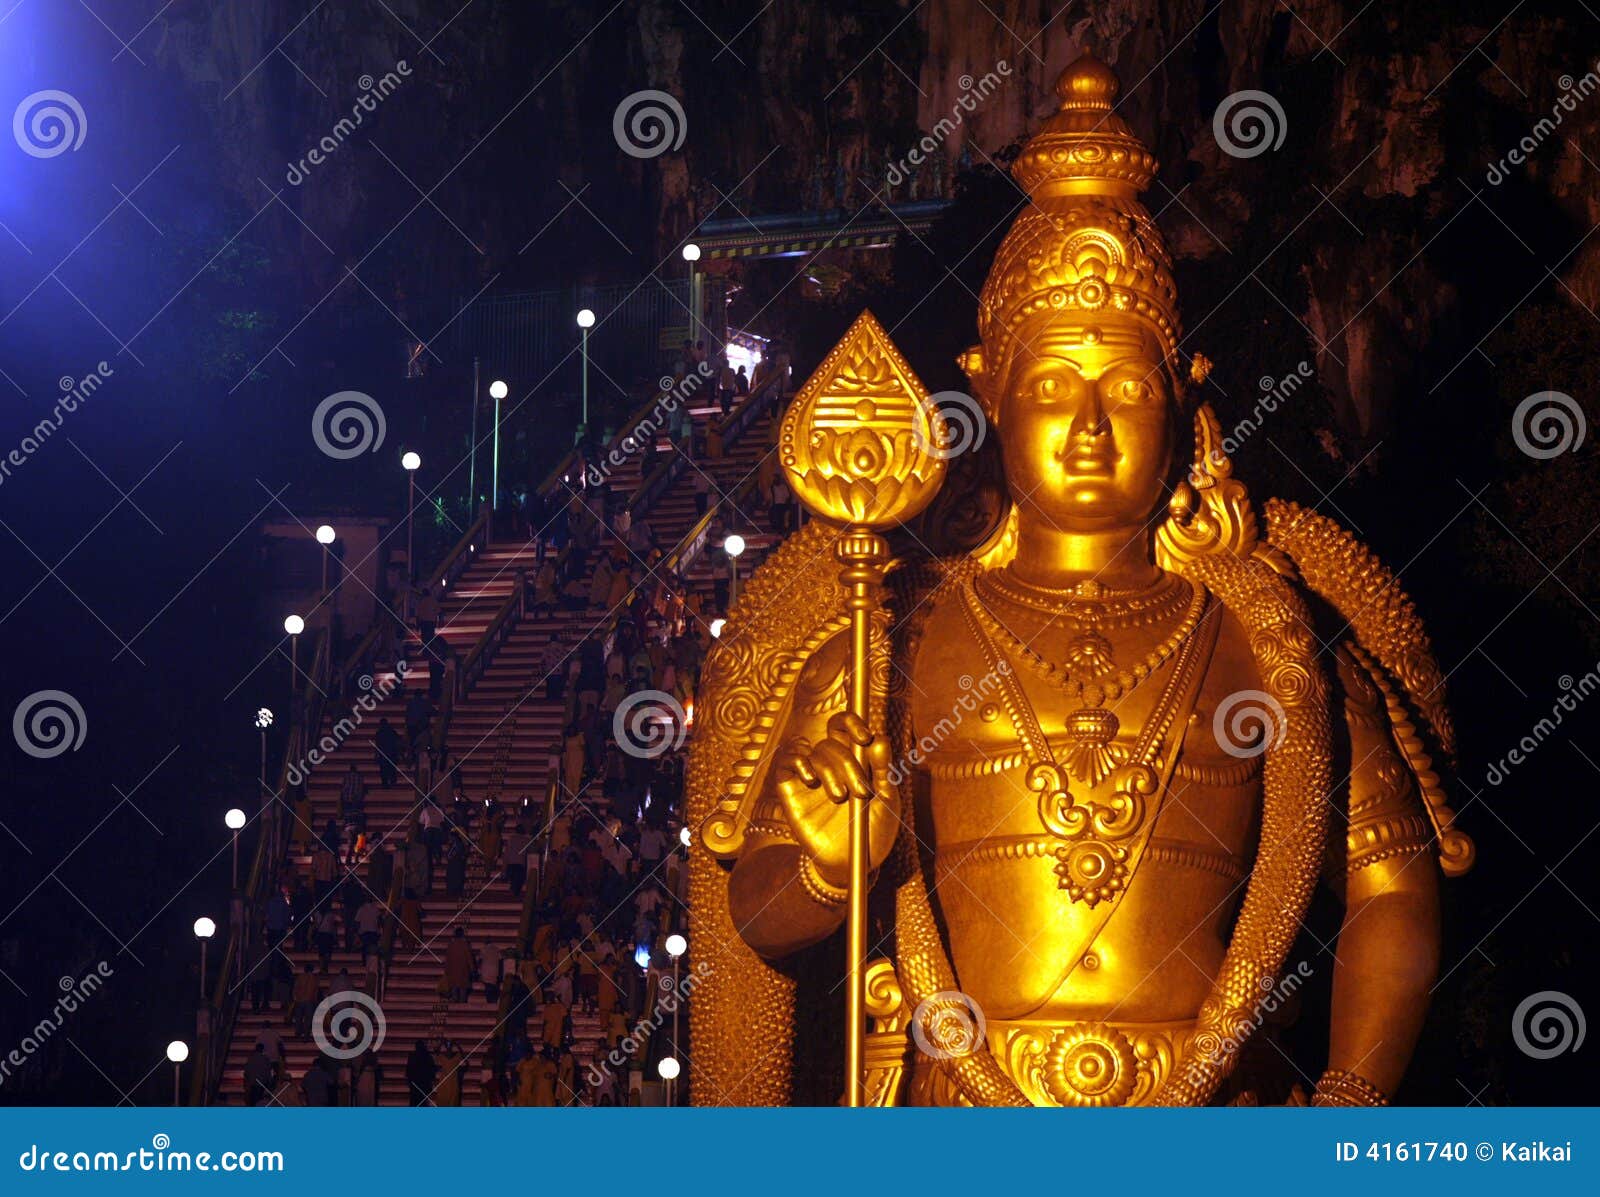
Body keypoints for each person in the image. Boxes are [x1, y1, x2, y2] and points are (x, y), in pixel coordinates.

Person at [445, 927, 475, 1002]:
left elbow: (447, 959)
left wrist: (447, 971)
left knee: (454, 993)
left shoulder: (451, 945)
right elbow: (469, 958)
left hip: (453, 973)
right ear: (462, 934)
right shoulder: (465, 945)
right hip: (463, 972)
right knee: (463, 994)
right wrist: (472, 969)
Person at [405, 1039, 437, 1106]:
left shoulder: (413, 1056)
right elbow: (432, 1071)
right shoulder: (428, 1057)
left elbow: (408, 1071)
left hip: (417, 1085)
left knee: (416, 1103)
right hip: (423, 1085)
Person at [374, 718, 400, 788]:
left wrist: (376, 754)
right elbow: (397, 742)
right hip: (392, 753)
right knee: (392, 769)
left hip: (383, 754)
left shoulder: (379, 733)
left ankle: (385, 783)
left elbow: (377, 744)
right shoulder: (392, 731)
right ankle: (393, 782)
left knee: (383, 770)